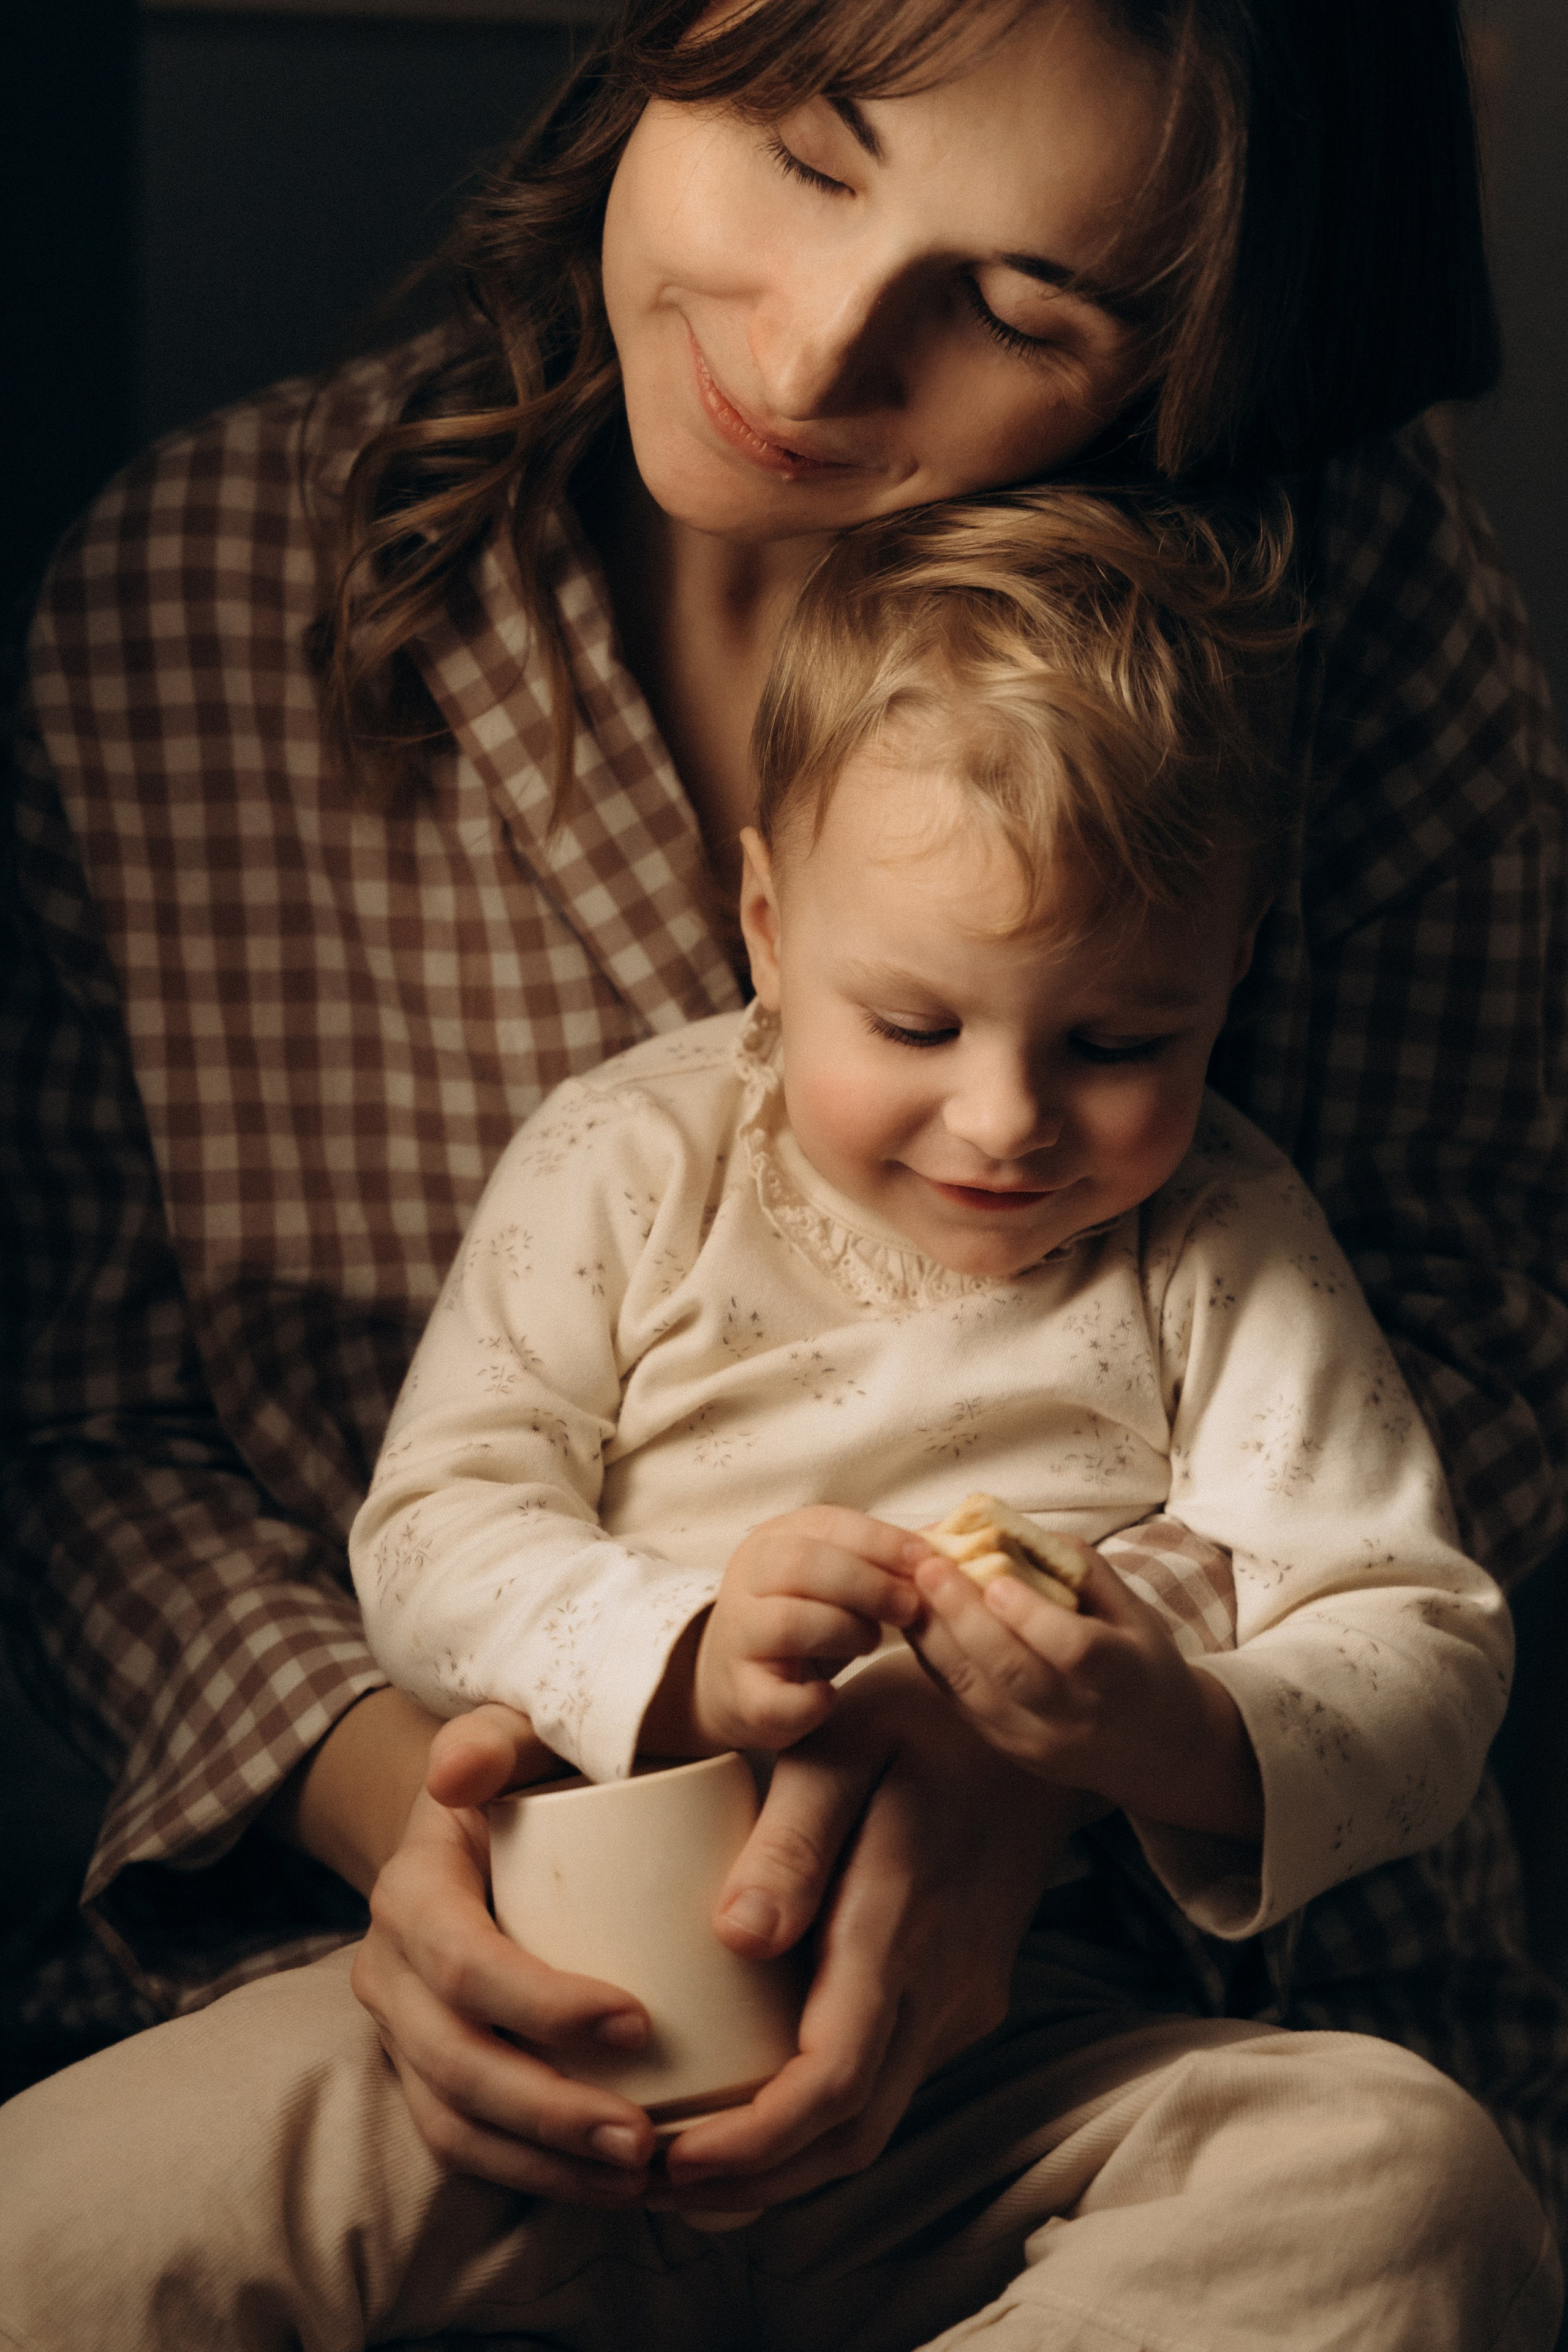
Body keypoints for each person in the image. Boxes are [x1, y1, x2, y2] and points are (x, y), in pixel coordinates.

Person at [1, 0, 1564, 2339]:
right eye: (809, 156)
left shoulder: (1334, 632)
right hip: (428, 1996)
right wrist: (432, 1814)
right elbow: (90, 1441)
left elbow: (1465, 1372)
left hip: (1105, 2038)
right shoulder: (198, 601)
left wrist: (1035, 1768)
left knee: (1395, 2211)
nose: (816, 350)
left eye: (1024, 306)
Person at [349, 489, 1512, 1937]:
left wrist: (1170, 1733)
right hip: (602, 1941)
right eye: (911, 1026)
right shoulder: (633, 1158)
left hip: (1054, 1997)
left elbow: (1424, 1645)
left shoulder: (1218, 1240)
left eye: (1116, 1044)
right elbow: (428, 1528)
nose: (1006, 1120)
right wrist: (686, 1655)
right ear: (767, 933)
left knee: (1396, 2161)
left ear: (1231, 963)